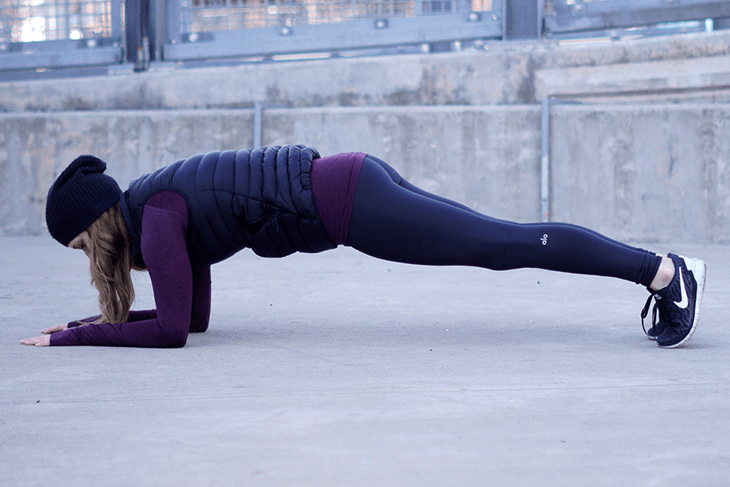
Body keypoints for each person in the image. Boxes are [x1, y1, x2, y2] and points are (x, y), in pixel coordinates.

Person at [21, 145, 705, 349]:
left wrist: (80, 336)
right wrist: (97, 323)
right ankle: (660, 270)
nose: (88, 256)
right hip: (349, 181)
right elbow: (192, 318)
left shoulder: (158, 215)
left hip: (346, 199)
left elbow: (171, 332)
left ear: (100, 220)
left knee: (503, 244)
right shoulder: (158, 208)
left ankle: (663, 271)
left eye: (82, 241)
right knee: (502, 240)